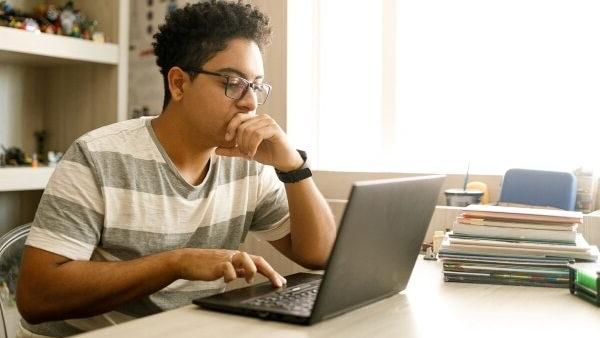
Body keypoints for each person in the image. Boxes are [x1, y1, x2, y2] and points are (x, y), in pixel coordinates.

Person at [16, 1, 336, 336]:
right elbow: (37, 297)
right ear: (179, 84)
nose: (250, 102)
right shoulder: (98, 156)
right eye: (233, 82)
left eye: (255, 85)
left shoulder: (247, 166)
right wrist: (175, 263)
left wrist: (293, 166)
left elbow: (319, 254)